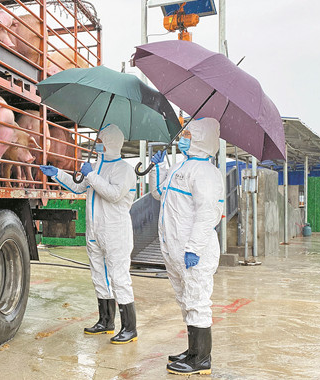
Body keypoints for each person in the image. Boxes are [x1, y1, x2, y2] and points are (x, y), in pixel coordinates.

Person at [39, 123, 138, 345]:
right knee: (99, 276)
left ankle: (130, 328)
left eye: (101, 141)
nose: (98, 145)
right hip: (95, 231)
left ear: (111, 143)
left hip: (115, 231)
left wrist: (92, 175)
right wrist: (58, 174)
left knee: (119, 278)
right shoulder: (97, 166)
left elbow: (113, 194)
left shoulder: (124, 170)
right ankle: (106, 321)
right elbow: (78, 187)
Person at [148, 117, 224, 376]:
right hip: (176, 248)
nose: (183, 138)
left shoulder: (206, 173)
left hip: (195, 251)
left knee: (198, 300)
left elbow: (206, 214)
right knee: (186, 299)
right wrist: (157, 168)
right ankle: (192, 351)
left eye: (188, 134)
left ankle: (201, 358)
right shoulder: (182, 166)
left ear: (201, 138)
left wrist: (193, 247)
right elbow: (159, 193)